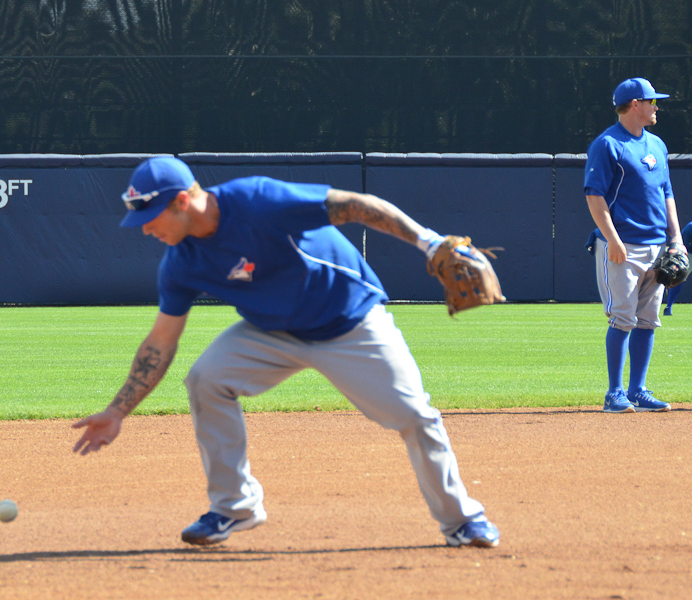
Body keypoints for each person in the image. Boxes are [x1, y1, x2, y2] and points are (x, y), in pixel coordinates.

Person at [72, 156, 500, 548]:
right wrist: (117, 410)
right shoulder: (180, 262)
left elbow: (354, 204)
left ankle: (461, 519)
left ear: (183, 200)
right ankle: (233, 506)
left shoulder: (258, 201)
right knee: (206, 379)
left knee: (413, 414)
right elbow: (161, 340)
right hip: (272, 333)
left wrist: (429, 242)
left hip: (348, 321)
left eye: (151, 216)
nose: (146, 228)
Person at [584, 77, 686, 413]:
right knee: (622, 318)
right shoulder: (607, 144)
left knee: (647, 319)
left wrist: (676, 240)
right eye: (652, 101)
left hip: (657, 245)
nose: (656, 106)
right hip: (622, 246)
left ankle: (638, 390)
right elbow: (594, 195)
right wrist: (612, 239)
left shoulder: (657, 145)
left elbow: (667, 194)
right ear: (635, 105)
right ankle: (615, 393)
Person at [662, 220, 692, 315]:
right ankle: (668, 306)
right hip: (688, 253)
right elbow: (685, 244)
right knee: (679, 279)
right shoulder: (690, 227)